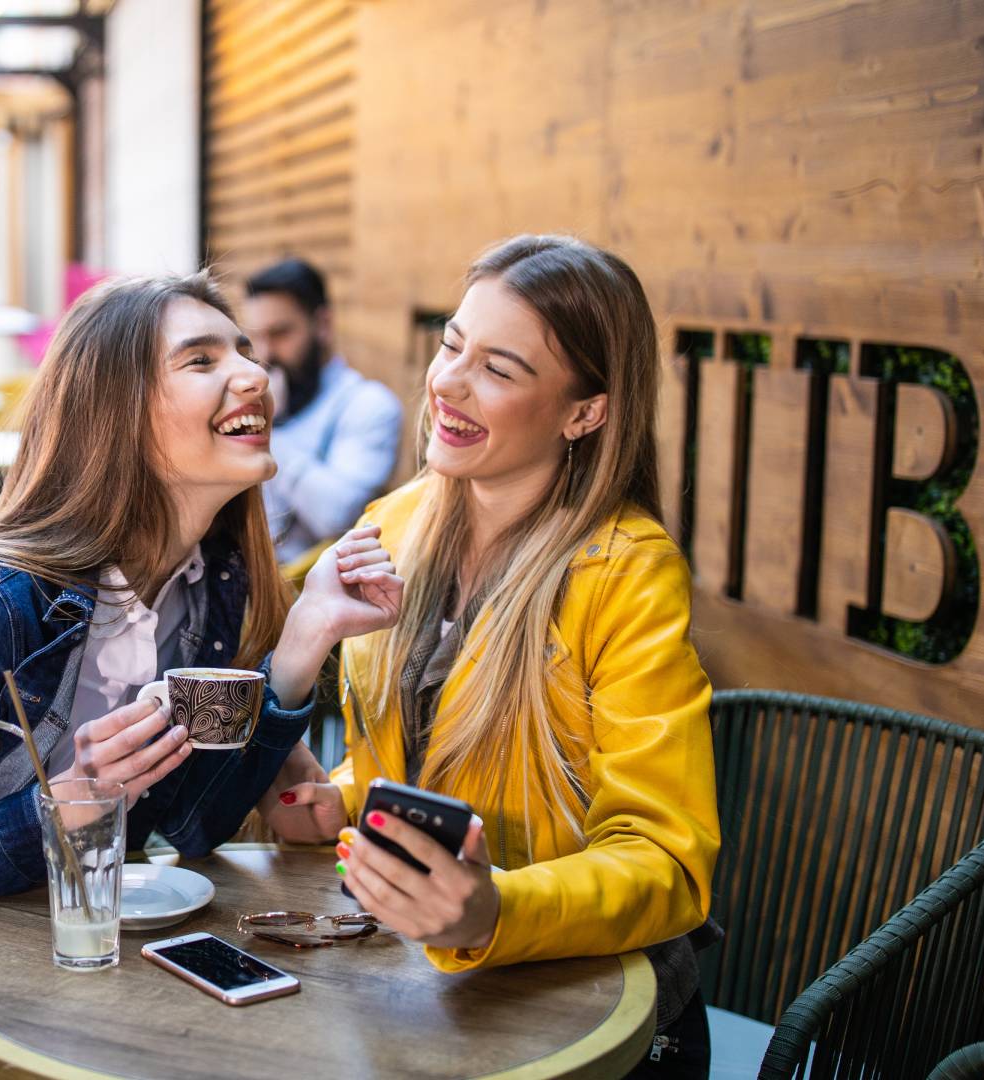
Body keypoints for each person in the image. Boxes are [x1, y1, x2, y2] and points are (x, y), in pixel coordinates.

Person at [0, 272, 403, 1075]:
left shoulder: (212, 587)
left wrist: (300, 646)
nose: (254, 373)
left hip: (56, 959)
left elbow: (192, 823)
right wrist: (68, 805)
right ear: (116, 411)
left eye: (246, 352)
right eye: (202, 360)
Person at [259, 236, 721, 1076]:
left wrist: (494, 910)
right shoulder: (396, 524)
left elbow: (666, 862)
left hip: (591, 1015)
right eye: (451, 346)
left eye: (499, 370)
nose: (447, 383)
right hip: (427, 990)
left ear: (586, 413)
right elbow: (445, 755)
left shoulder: (627, 572)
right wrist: (346, 800)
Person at [244, 258, 403, 567]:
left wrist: (267, 428)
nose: (266, 353)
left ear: (323, 325)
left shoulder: (369, 405)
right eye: (257, 338)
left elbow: (337, 516)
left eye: (280, 333)